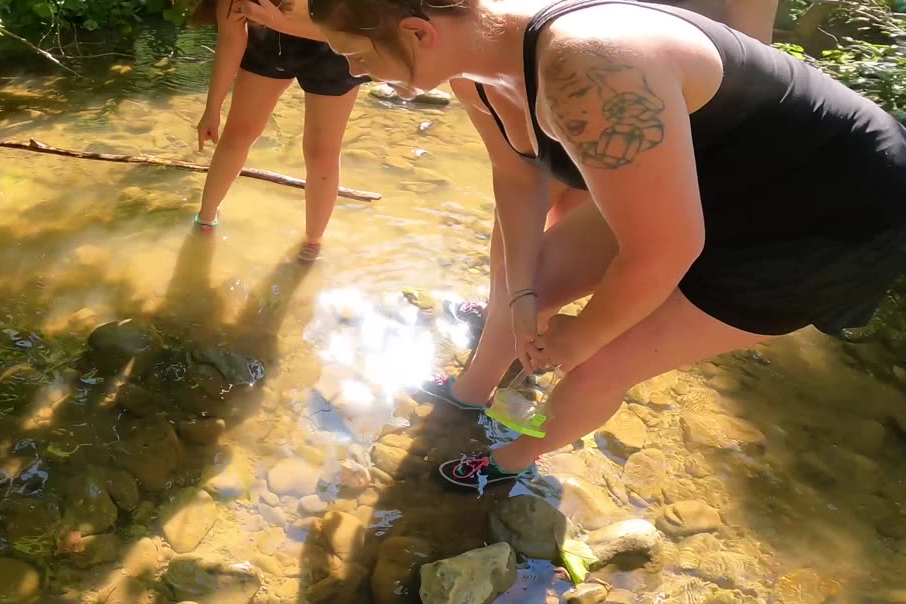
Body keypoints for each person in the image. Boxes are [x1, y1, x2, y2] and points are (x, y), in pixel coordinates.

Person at [308, 0, 906, 490]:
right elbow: (518, 180)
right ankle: (478, 395)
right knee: (538, 280)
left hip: (828, 220)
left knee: (597, 367)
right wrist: (520, 298)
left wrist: (580, 335)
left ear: (418, 31)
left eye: (357, 54)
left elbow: (665, 249)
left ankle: (509, 462)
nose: (357, 72)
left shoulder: (587, 63)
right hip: (718, 180)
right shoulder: (477, 62)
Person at [436, 0, 780, 376]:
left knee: (571, 244)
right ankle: (503, 316)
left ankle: (524, 347)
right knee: (519, 216)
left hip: (654, 119)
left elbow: (750, 55)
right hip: (565, 82)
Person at [190, 0, 367, 261]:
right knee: (238, 133)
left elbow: (349, 35)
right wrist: (212, 108)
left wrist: (276, 20)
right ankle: (206, 217)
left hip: (334, 51)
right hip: (271, 45)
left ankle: (313, 240)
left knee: (321, 152)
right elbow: (231, 41)